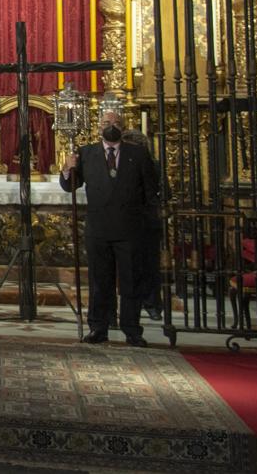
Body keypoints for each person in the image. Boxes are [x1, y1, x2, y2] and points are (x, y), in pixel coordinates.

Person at [61, 110, 160, 346]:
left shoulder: (137, 153)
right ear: (98, 128)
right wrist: (67, 168)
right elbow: (70, 186)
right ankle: (98, 327)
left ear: (123, 128)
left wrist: (146, 223)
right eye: (107, 123)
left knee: (130, 281)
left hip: (129, 228)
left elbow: (150, 190)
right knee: (100, 281)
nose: (111, 126)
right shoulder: (87, 153)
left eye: (116, 122)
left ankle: (132, 329)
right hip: (99, 228)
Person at [116, 127, 163, 322]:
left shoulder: (154, 166)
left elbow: (159, 192)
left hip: (146, 222)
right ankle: (128, 311)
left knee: (149, 266)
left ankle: (151, 304)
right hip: (123, 222)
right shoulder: (117, 165)